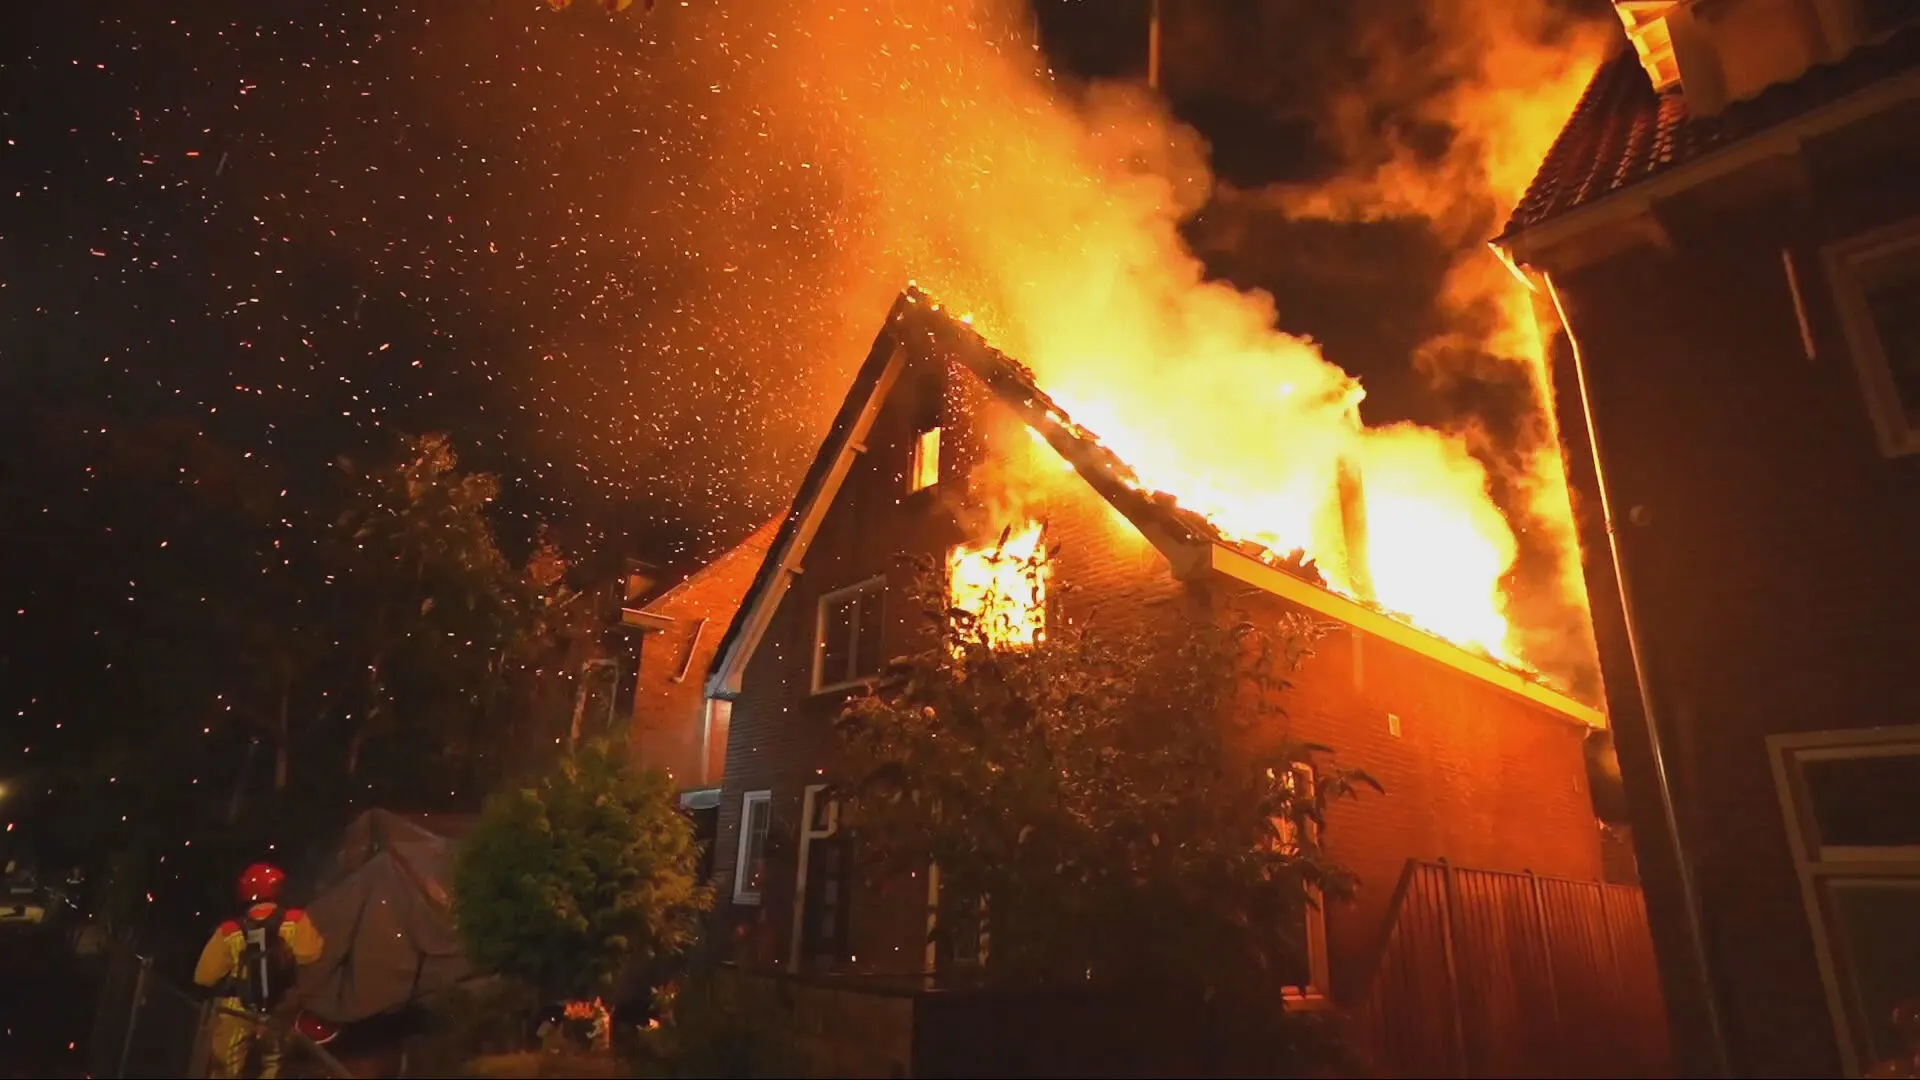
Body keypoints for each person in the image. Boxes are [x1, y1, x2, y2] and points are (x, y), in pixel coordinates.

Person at [192, 862, 324, 1079]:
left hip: (236, 1010)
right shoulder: (296, 920)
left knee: (226, 1068)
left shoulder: (229, 930)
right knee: (275, 1065)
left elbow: (204, 977)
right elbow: (313, 956)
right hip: (280, 1007)